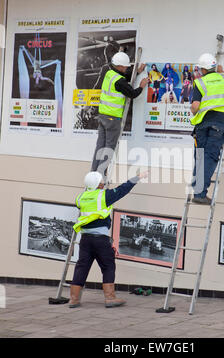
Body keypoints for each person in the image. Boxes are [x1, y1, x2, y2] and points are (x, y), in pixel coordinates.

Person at [69, 169, 148, 309]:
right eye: (101, 182)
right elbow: (123, 189)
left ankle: (74, 299)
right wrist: (138, 177)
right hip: (100, 239)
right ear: (98, 184)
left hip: (85, 239)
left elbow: (85, 202)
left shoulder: (80, 197)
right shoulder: (104, 196)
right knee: (108, 266)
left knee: (82, 267)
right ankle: (110, 298)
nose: (103, 183)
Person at [91, 51, 149, 177]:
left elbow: (124, 77)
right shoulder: (119, 82)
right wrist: (141, 86)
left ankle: (93, 174)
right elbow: (132, 93)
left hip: (102, 117)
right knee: (108, 149)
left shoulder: (109, 74)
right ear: (121, 66)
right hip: (112, 119)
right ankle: (100, 177)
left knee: (100, 147)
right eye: (126, 66)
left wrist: (137, 71)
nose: (127, 68)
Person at [190, 53, 224, 205]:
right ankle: (200, 194)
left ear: (202, 69)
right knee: (210, 157)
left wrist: (193, 110)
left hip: (202, 125)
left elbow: (195, 106)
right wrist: (222, 72)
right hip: (218, 125)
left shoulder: (199, 82)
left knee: (200, 156)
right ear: (214, 67)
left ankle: (198, 192)